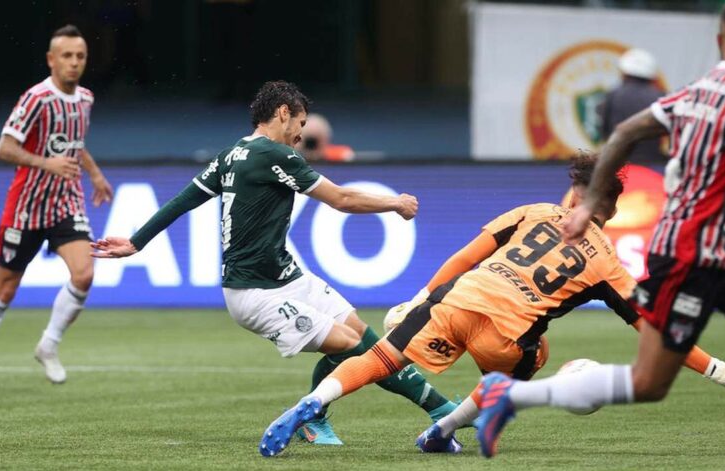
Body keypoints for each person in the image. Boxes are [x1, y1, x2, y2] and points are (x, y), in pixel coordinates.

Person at [258, 154, 725, 458]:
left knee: (381, 360)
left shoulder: (532, 211)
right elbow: (660, 331)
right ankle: (443, 430)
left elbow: (463, 258)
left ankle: (314, 402)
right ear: (610, 210)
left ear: (572, 194)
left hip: (454, 301)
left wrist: (421, 298)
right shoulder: (606, 262)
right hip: (505, 336)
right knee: (533, 361)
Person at [476, 0, 725, 463]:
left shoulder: (694, 91)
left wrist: (586, 208)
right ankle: (509, 395)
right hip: (696, 253)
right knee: (647, 382)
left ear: (718, 40)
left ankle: (508, 395)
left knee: (648, 384)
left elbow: (624, 132)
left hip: (705, 248)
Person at [90, 81, 457, 445]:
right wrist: (394, 204)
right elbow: (342, 199)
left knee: (361, 333)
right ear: (283, 113)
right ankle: (318, 419)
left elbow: (181, 202)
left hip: (286, 275)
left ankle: (438, 408)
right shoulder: (276, 155)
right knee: (347, 343)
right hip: (252, 291)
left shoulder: (230, 154)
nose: (300, 135)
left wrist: (137, 241)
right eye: (300, 123)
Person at [0, 25, 113, 396]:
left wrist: (94, 174)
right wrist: (48, 163)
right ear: (51, 59)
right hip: (26, 205)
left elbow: (76, 144)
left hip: (66, 202)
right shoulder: (36, 99)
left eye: (80, 56)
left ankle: (48, 343)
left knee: (84, 274)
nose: (74, 63)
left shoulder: (86, 99)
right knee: (6, 287)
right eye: (67, 56)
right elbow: (4, 148)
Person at [598, 48, 665, 162]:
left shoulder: (613, 95)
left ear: (624, 73)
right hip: (652, 166)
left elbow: (603, 130)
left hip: (617, 164)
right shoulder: (661, 97)